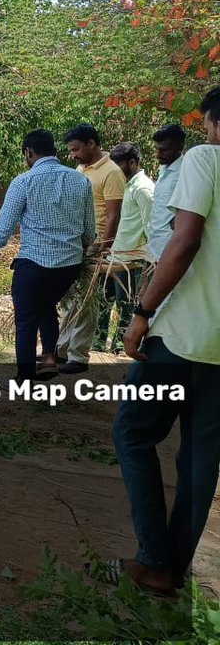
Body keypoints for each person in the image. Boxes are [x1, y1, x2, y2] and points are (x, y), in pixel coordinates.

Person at [108, 86, 220, 596]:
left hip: (180, 336)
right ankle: (170, 568)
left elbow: (186, 238)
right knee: (200, 461)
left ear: (211, 124)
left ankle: (155, 558)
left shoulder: (205, 158)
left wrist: (142, 313)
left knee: (133, 432)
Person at [0, 129, 95, 380]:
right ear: (54, 151)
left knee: (25, 319)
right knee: (46, 305)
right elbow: (89, 230)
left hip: (34, 263)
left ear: (28, 152)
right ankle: (49, 359)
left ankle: (25, 374)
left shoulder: (23, 181)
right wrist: (82, 254)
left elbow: (4, 224)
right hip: (69, 266)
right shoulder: (81, 181)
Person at [56, 123, 126, 373]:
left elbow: (114, 214)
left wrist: (103, 247)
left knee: (86, 302)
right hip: (76, 243)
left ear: (92, 144)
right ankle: (61, 350)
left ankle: (78, 356)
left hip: (95, 246)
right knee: (70, 299)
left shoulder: (111, 172)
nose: (73, 154)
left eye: (76, 149)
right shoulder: (80, 169)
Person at [95, 142, 154, 353]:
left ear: (132, 162)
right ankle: (99, 342)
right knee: (104, 300)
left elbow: (150, 226)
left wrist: (147, 260)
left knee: (125, 304)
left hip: (131, 259)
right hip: (115, 255)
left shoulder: (144, 189)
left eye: (118, 165)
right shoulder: (127, 185)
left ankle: (119, 344)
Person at [147, 124, 187, 260]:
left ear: (179, 148)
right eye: (157, 149)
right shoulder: (163, 169)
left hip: (171, 249)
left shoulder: (186, 171)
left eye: (164, 150)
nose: (158, 155)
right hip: (155, 247)